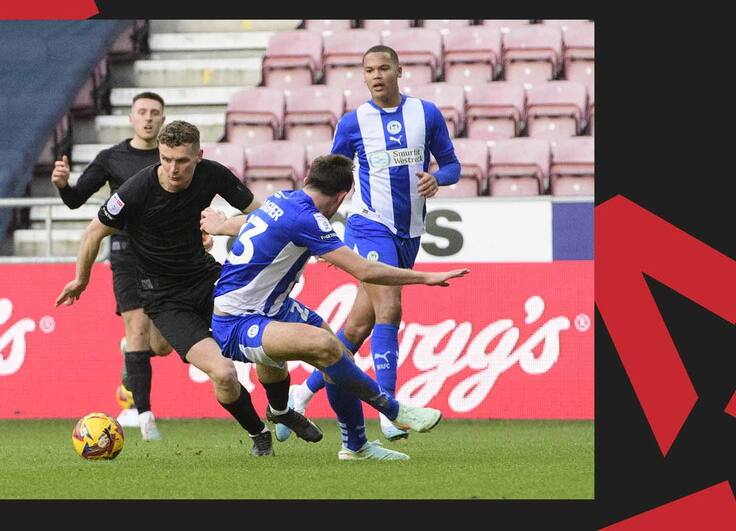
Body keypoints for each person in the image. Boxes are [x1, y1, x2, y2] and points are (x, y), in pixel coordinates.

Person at [54, 120, 323, 457]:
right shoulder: (137, 189)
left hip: (210, 280)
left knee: (266, 345)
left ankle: (281, 410)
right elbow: (93, 232)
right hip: (164, 299)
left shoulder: (213, 174)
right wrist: (81, 279)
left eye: (181, 160)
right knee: (223, 373)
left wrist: (295, 240)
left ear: (199, 156)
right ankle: (259, 434)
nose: (172, 168)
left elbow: (262, 216)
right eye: (166, 159)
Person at [202, 154, 469, 460]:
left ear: (306, 182)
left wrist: (223, 226)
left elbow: (251, 221)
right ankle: (393, 410)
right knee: (327, 346)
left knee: (338, 354)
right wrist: (426, 277)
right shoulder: (308, 219)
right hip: (235, 322)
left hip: (273, 307)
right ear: (343, 196)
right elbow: (366, 270)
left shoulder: (283, 199)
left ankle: (355, 446)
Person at [282, 45, 462, 442]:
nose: (376, 75)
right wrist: (319, 234)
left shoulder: (426, 114)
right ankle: (391, 409)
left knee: (359, 326)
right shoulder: (353, 122)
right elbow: (329, 180)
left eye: (383, 68)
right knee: (391, 308)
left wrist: (439, 178)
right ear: (363, 76)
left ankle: (301, 392)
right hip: (368, 226)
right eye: (368, 70)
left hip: (409, 232)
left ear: (399, 70)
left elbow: (451, 164)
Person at [51, 91, 186, 441]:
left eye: (155, 113)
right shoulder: (112, 158)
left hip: (166, 255)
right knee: (137, 327)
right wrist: (64, 185)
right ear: (130, 118)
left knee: (162, 345)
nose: (148, 118)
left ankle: (130, 352)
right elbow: (76, 199)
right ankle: (145, 419)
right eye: (142, 112)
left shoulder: (172, 160)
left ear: (163, 119)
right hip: (126, 252)